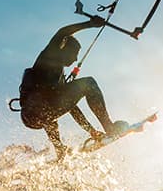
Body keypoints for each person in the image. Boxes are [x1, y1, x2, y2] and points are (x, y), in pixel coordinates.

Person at [17, 15, 128, 160]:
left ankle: (60, 150)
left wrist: (91, 131)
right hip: (35, 109)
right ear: (64, 49)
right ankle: (109, 126)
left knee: (49, 116)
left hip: (35, 115)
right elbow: (63, 32)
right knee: (89, 83)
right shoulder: (49, 56)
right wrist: (89, 24)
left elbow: (71, 107)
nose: (76, 58)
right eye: (75, 53)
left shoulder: (60, 79)